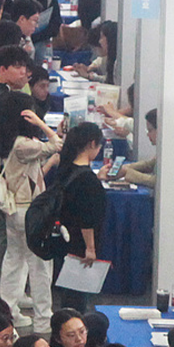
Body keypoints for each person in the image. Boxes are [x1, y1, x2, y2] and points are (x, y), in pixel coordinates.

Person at [0, 105, 58, 330]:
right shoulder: (23, 144)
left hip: (14, 209)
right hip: (30, 211)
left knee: (14, 261)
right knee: (40, 266)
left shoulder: (8, 142)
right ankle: (43, 319)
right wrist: (42, 124)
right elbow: (57, 144)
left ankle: (9, 312)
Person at [53, 122, 108, 300]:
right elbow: (87, 218)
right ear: (92, 144)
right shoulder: (88, 181)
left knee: (68, 292)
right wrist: (90, 248)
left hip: (64, 237)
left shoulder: (66, 169)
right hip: (80, 245)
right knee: (77, 294)